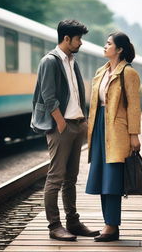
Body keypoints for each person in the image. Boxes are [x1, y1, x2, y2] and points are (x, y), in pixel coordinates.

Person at [31, 20, 99, 241]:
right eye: (78, 39)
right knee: (56, 177)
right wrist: (60, 122)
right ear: (66, 38)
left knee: (71, 178)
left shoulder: (72, 61)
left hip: (77, 124)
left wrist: (84, 119)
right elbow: (48, 96)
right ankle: (54, 225)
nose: (81, 43)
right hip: (62, 127)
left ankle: (73, 222)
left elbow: (78, 92)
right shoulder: (50, 61)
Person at [85, 32, 141, 242]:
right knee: (101, 177)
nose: (105, 46)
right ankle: (108, 224)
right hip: (99, 126)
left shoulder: (128, 73)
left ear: (119, 49)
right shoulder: (101, 71)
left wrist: (134, 135)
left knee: (112, 178)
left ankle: (111, 225)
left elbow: (134, 107)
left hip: (117, 130)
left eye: (108, 44)